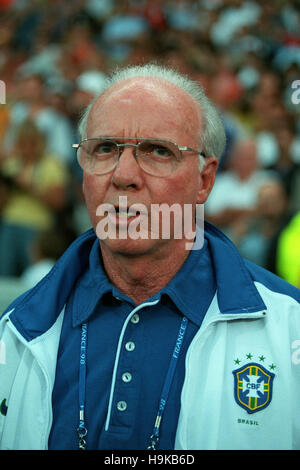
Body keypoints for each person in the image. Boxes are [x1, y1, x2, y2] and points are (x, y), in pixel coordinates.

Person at [0, 64, 299, 451]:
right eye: (104, 148)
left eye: (158, 151)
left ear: (204, 180)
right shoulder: (15, 333)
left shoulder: (289, 330)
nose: (124, 174)